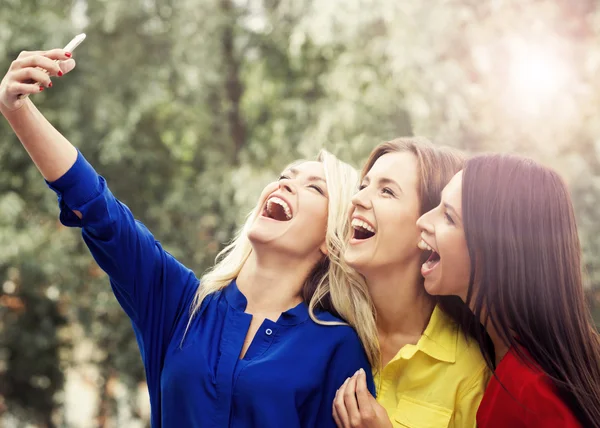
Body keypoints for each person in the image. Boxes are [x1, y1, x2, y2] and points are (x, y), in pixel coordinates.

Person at [0, 47, 376, 428]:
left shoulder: (337, 349)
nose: (286, 185)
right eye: (285, 177)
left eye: (314, 188)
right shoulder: (181, 304)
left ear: (331, 240)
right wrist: (17, 109)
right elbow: (100, 210)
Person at [417, 153, 600, 427]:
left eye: (448, 217)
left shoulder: (530, 395)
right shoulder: (518, 364)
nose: (423, 221)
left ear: (496, 250)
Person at [332, 138, 489, 428]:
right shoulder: (323, 323)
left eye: (387, 191)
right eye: (364, 185)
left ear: (430, 224)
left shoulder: (471, 371)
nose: (358, 199)